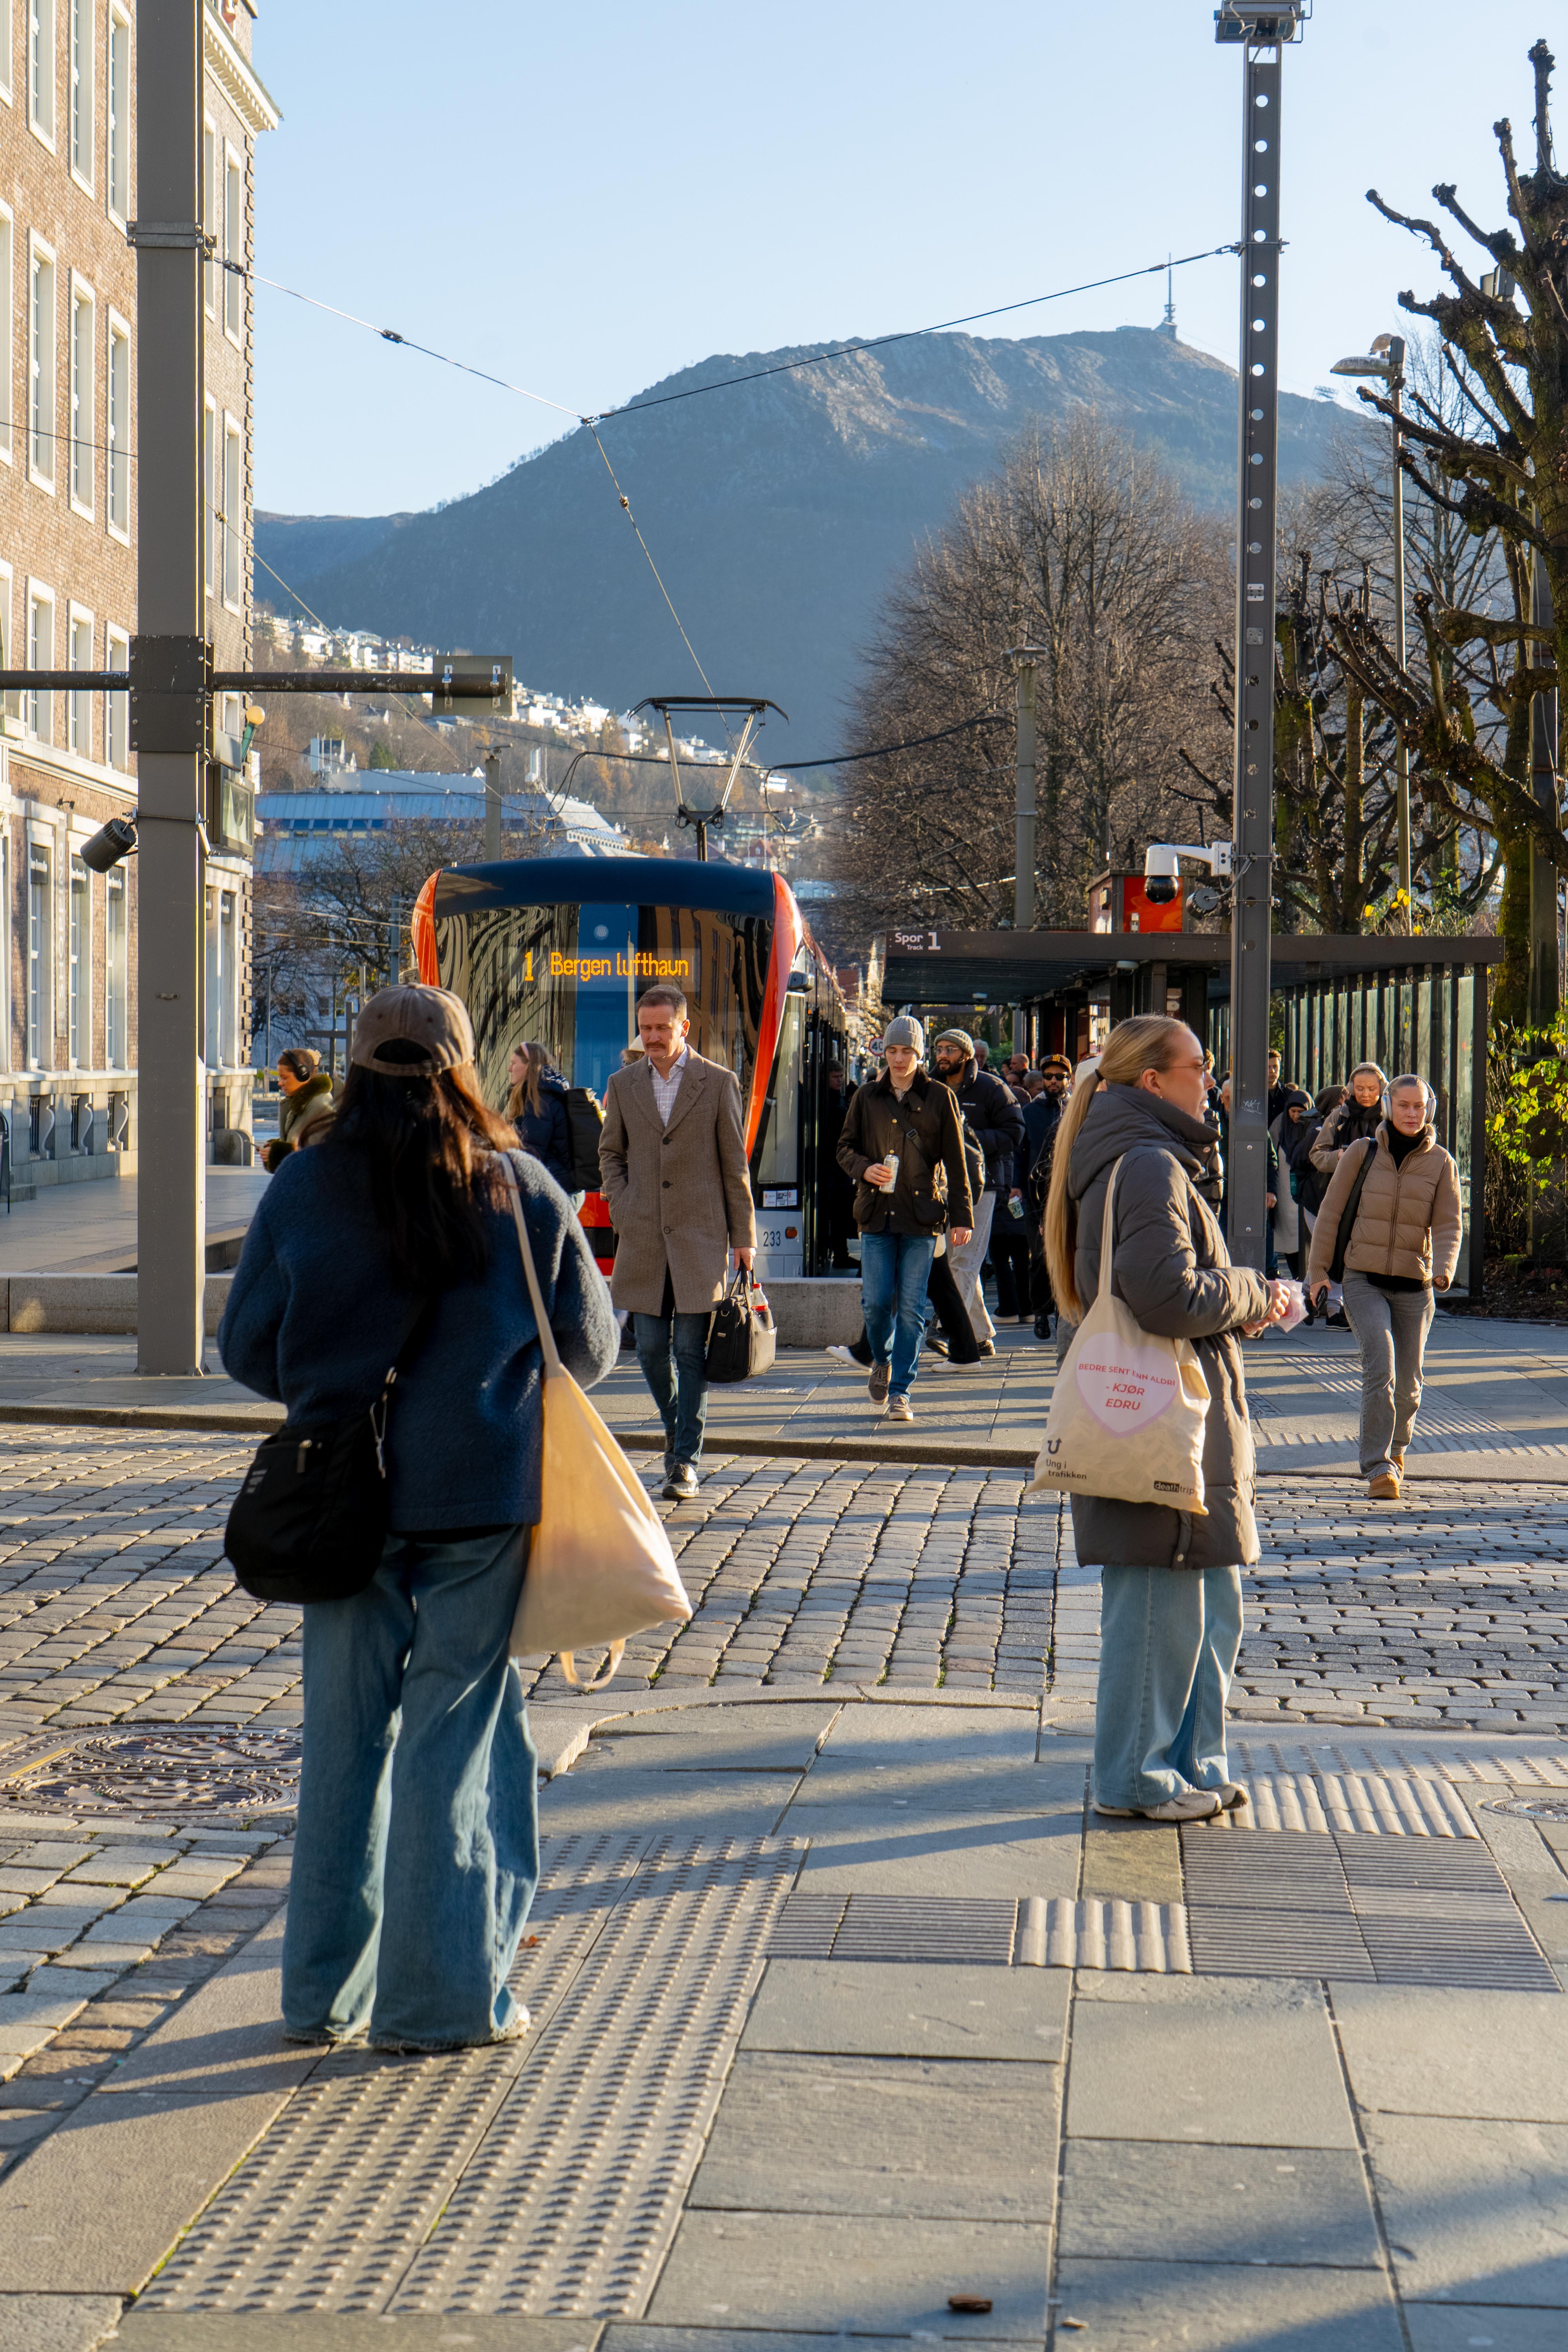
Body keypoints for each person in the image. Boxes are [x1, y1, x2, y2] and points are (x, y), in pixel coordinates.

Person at [218, 984, 617, 2051]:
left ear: (354, 1070)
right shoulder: (519, 1186)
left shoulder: (305, 1183)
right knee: (454, 1739)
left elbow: (245, 1345)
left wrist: (327, 1391)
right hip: (477, 1496)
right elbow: (589, 1347)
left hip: (341, 1498)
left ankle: (323, 1997)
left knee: (341, 1744)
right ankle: (438, 2003)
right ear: (463, 1069)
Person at [1044, 1014, 1288, 1824]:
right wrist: (1251, 1290)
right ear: (1152, 1080)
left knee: (1206, 1607)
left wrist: (1236, 1303)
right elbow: (1163, 1294)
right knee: (1159, 1610)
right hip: (1159, 1421)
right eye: (1198, 1066)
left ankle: (1190, 1765)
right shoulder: (1148, 1162)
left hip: (1172, 1416)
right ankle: (1135, 1780)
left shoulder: (1146, 1155)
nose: (1210, 1081)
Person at [598, 984, 757, 1501]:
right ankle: (677, 1432)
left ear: (684, 1028)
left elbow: (735, 1166)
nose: (652, 1037)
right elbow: (610, 1154)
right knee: (648, 1351)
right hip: (643, 1236)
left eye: (662, 1028)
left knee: (690, 1353)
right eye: (645, 1028)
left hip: (699, 1239)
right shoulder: (623, 1084)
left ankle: (685, 1461)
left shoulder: (718, 1082)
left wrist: (744, 1237)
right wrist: (622, 1204)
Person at [1307, 1073, 1462, 1503]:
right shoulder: (1362, 1152)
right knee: (1382, 1368)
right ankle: (1377, 1466)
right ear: (1390, 1107)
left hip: (1415, 1285)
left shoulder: (1441, 1163)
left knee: (1409, 1385)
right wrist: (1318, 1273)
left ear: (1429, 1110)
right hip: (1364, 1280)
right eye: (1404, 1105)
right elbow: (1330, 1214)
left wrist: (1443, 1269)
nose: (1411, 1114)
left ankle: (1396, 1451)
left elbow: (1449, 1225)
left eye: (1419, 1106)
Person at [836, 1015, 973, 1422]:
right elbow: (844, 1148)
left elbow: (957, 1161)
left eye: (907, 1051)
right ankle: (881, 1360)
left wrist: (962, 1217)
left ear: (919, 1054)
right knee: (876, 1304)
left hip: (921, 1219)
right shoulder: (866, 1096)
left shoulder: (939, 1097)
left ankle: (900, 1393)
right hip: (876, 1216)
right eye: (892, 1050)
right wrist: (864, 1169)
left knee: (911, 1309)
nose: (898, 1059)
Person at [931, 1028, 1025, 1350]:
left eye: (950, 1049)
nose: (943, 1055)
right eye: (939, 1049)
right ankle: (980, 1336)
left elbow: (1015, 1132)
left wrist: (967, 1142)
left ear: (966, 1055)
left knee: (965, 1261)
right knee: (954, 1262)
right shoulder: (930, 1087)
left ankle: (947, 1327)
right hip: (940, 1186)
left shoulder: (992, 1087)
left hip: (981, 1186)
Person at [506, 1040, 575, 1194]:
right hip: (558, 1185)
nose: (510, 1069)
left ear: (528, 1065)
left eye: (514, 1063)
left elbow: (531, 1153)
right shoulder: (546, 1093)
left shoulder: (539, 1100)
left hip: (553, 1189)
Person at [261, 1047, 336, 1172]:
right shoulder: (302, 1104)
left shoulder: (321, 1106)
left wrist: (278, 1153)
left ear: (303, 1075)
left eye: (284, 1078)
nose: (280, 1083)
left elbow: (321, 1153)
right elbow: (299, 1143)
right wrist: (273, 1147)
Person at [1310, 1062, 1387, 1181]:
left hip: (1382, 1186)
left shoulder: (1390, 1117)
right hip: (1345, 1186)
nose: (1365, 1094)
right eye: (1359, 1089)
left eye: (1372, 1089)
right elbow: (1317, 1155)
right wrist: (1338, 1156)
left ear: (1382, 1089)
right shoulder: (1339, 1116)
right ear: (1352, 1089)